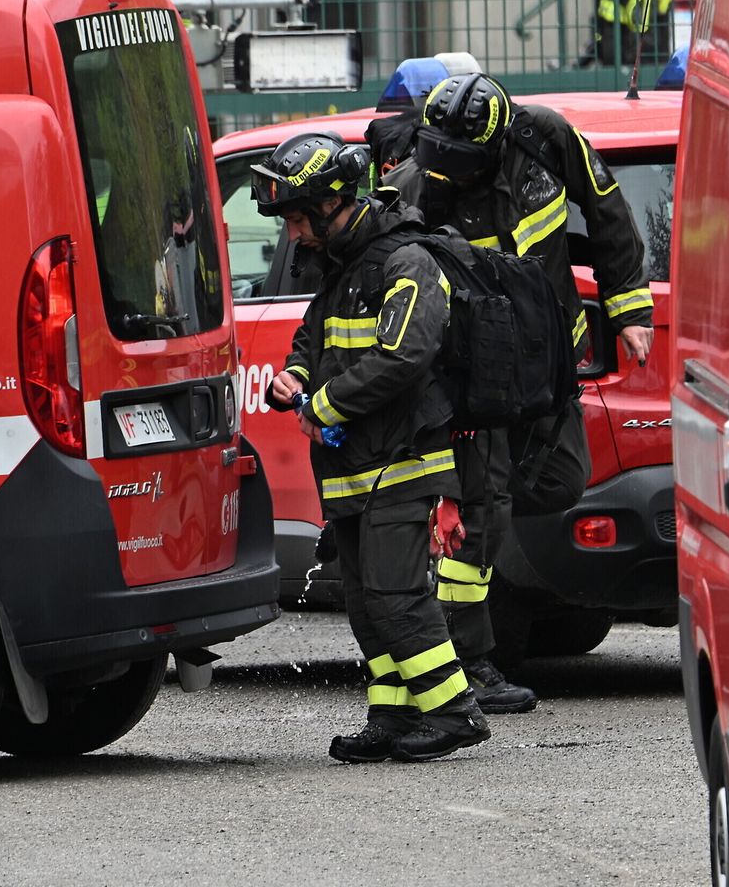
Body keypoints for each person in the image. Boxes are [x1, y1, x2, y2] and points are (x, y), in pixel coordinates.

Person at [384, 73, 654, 713]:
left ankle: (478, 518)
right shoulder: (416, 185)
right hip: (475, 376)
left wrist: (628, 307)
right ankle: (468, 657)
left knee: (564, 479)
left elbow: (607, 209)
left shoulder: (545, 138)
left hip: (548, 360)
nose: (446, 168)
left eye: (460, 158)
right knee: (484, 505)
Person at [253, 131, 492, 764]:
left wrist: (324, 404)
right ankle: (391, 716)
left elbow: (404, 355)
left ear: (333, 203)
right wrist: (294, 380)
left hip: (403, 463)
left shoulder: (406, 262)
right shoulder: (338, 267)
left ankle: (455, 712)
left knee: (396, 596)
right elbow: (313, 340)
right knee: (365, 605)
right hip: (354, 470)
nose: (292, 234)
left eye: (297, 218)